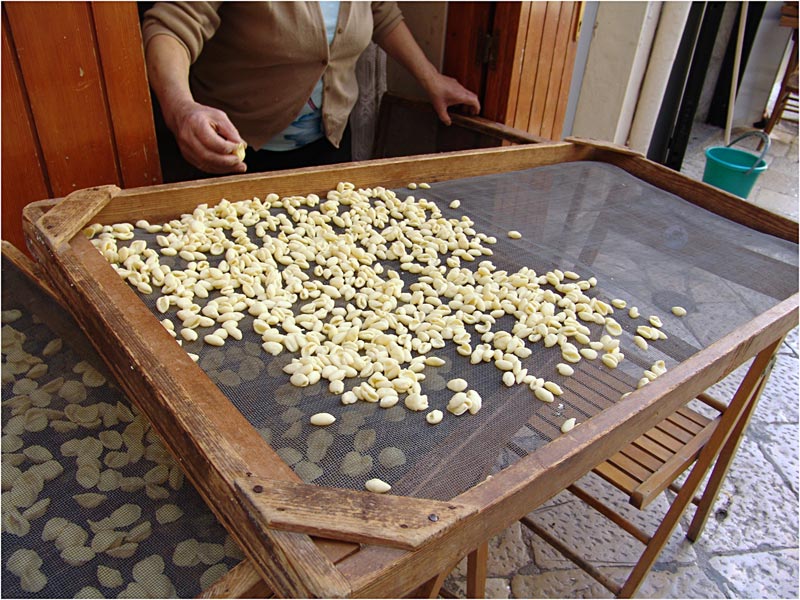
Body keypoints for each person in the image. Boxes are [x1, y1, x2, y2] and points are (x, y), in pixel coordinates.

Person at [142, 2, 480, 177]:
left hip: (329, 144)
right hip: (234, 151)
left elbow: (381, 10)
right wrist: (181, 108)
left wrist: (430, 79)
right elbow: (171, 26)